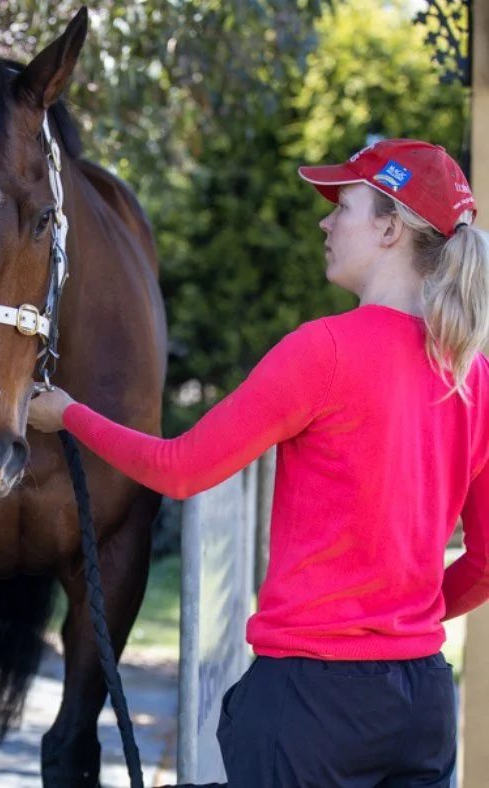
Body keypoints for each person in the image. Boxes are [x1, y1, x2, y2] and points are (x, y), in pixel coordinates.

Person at [28, 138, 489, 787]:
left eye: (344, 206)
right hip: (422, 702)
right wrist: (405, 621)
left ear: (390, 227)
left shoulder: (323, 352)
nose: (325, 222)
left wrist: (68, 413)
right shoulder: (475, 378)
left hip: (310, 702)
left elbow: (182, 468)